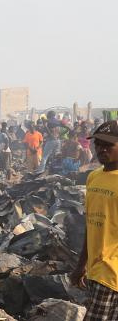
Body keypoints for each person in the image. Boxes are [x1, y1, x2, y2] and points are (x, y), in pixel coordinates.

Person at [70, 120, 118, 320]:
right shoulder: (93, 178)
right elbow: (92, 226)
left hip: (110, 273)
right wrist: (81, 266)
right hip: (96, 271)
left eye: (108, 145)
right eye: (98, 144)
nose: (101, 149)